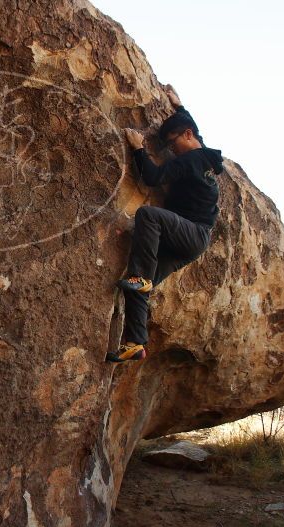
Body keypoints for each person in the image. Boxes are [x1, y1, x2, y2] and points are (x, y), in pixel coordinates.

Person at [107, 85, 224, 362]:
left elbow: (152, 177)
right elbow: (193, 129)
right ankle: (135, 342)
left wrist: (137, 149)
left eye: (173, 142)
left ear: (187, 135)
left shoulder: (190, 159)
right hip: (189, 242)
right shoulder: (206, 154)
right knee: (136, 286)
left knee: (148, 216)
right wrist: (180, 107)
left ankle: (143, 278)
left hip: (191, 231)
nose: (171, 149)